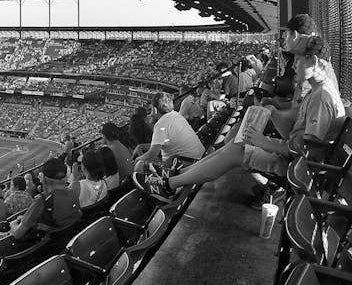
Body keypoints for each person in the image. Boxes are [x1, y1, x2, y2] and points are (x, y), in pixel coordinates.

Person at [135, 36, 345, 203]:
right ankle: (176, 176)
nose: (293, 65)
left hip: (296, 170)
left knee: (236, 150)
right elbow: (296, 139)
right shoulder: (317, 92)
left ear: (314, 61)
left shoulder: (321, 98)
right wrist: (271, 112)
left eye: (298, 59)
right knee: (235, 145)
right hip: (291, 160)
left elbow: (306, 153)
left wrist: (264, 142)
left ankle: (168, 185)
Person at [7, 158, 81, 239]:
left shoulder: (42, 201)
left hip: (46, 245)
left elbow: (17, 234)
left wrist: (13, 224)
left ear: (43, 178)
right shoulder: (74, 191)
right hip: (65, 239)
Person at [133, 92, 206, 173]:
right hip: (199, 160)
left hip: (186, 166)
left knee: (139, 165)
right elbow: (163, 143)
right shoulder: (176, 115)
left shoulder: (161, 124)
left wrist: (137, 159)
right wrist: (141, 147)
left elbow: (152, 155)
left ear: (155, 109)